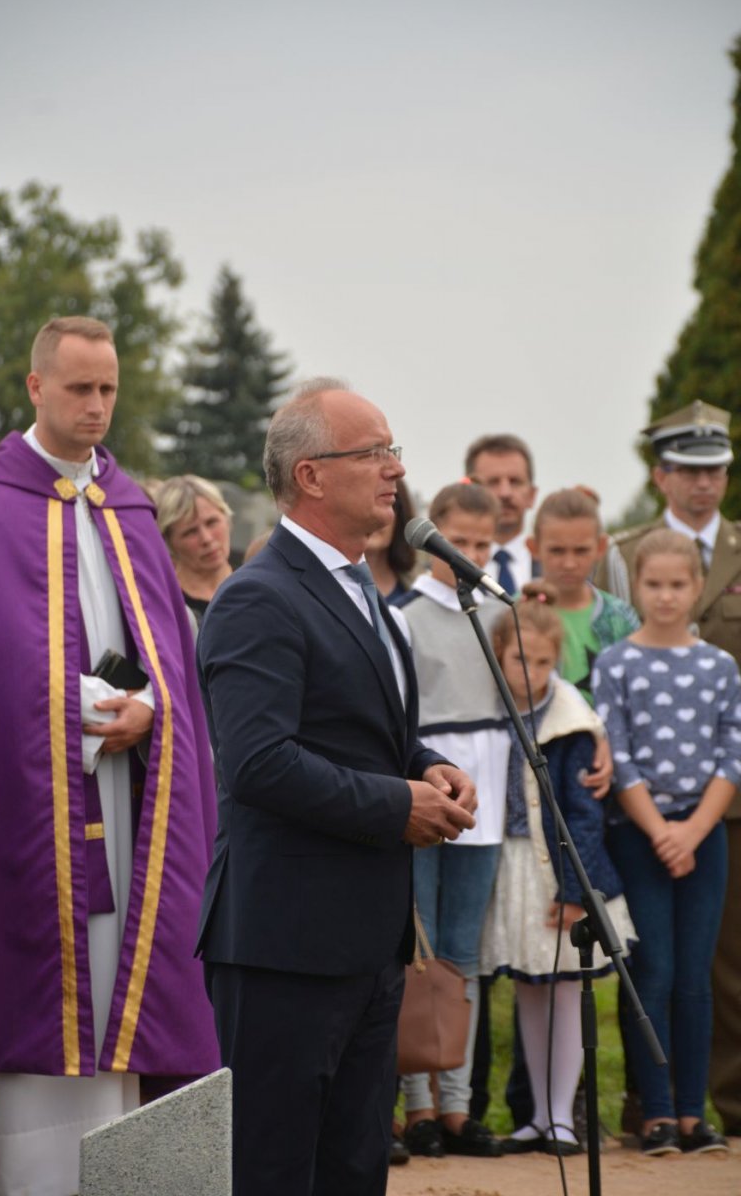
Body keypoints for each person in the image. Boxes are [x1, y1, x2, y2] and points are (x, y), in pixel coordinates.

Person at [0, 316, 220, 1196]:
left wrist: (153, 712)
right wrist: (59, 705)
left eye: (107, 389)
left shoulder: (131, 506)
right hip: (24, 811)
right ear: (35, 388)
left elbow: (174, 660)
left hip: (124, 800)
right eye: (77, 389)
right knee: (32, 1001)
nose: (96, 406)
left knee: (118, 1001)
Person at [196, 378, 477, 1196]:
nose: (395, 470)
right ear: (311, 475)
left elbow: (363, 730)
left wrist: (427, 765)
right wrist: (400, 805)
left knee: (354, 1170)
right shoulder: (259, 597)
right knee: (276, 1170)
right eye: (374, 452)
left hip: (367, 942)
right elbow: (257, 762)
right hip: (284, 944)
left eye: (394, 451)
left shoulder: (362, 590)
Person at [594, 401, 741, 1139]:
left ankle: (708, 1110)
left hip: (719, 815)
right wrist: (661, 830)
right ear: (662, 474)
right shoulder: (620, 558)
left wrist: (697, 827)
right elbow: (612, 741)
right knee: (649, 969)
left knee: (715, 974)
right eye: (689, 469)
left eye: (715, 468)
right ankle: (651, 1109)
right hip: (642, 822)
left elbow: (733, 741)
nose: (668, 595)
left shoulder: (739, 566)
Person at [479, 584, 635, 1156]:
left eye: (545, 661)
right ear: (499, 653)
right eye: (521, 658)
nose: (532, 671)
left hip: (562, 871)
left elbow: (584, 817)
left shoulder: (570, 721)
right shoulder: (489, 709)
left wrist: (577, 892)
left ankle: (564, 1118)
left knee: (568, 989)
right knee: (528, 990)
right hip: (513, 866)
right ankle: (536, 1116)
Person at [397, 482, 507, 1160]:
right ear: (432, 537)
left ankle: (460, 1105)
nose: (468, 556)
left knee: (463, 952)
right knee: (421, 949)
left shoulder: (496, 613)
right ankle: (418, 1105)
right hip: (424, 788)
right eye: (457, 543)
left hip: (487, 793)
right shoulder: (403, 614)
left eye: (482, 545)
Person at [528, 488, 639, 703]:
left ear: (600, 547)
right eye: (557, 551)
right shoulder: (514, 613)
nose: (569, 564)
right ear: (534, 548)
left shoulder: (620, 618)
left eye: (581, 551)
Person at [464, 433, 539, 595]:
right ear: (469, 492)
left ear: (532, 495)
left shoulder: (557, 568)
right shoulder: (447, 572)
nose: (505, 493)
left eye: (515, 481)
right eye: (493, 482)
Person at [155, 474, 233, 626]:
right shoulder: (165, 606)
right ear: (169, 541)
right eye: (190, 532)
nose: (207, 539)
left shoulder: (256, 588)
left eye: (212, 522)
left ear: (227, 518)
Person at [364, 477, 418, 602]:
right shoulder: (326, 586)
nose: (376, 517)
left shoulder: (418, 589)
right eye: (365, 504)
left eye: (387, 503)